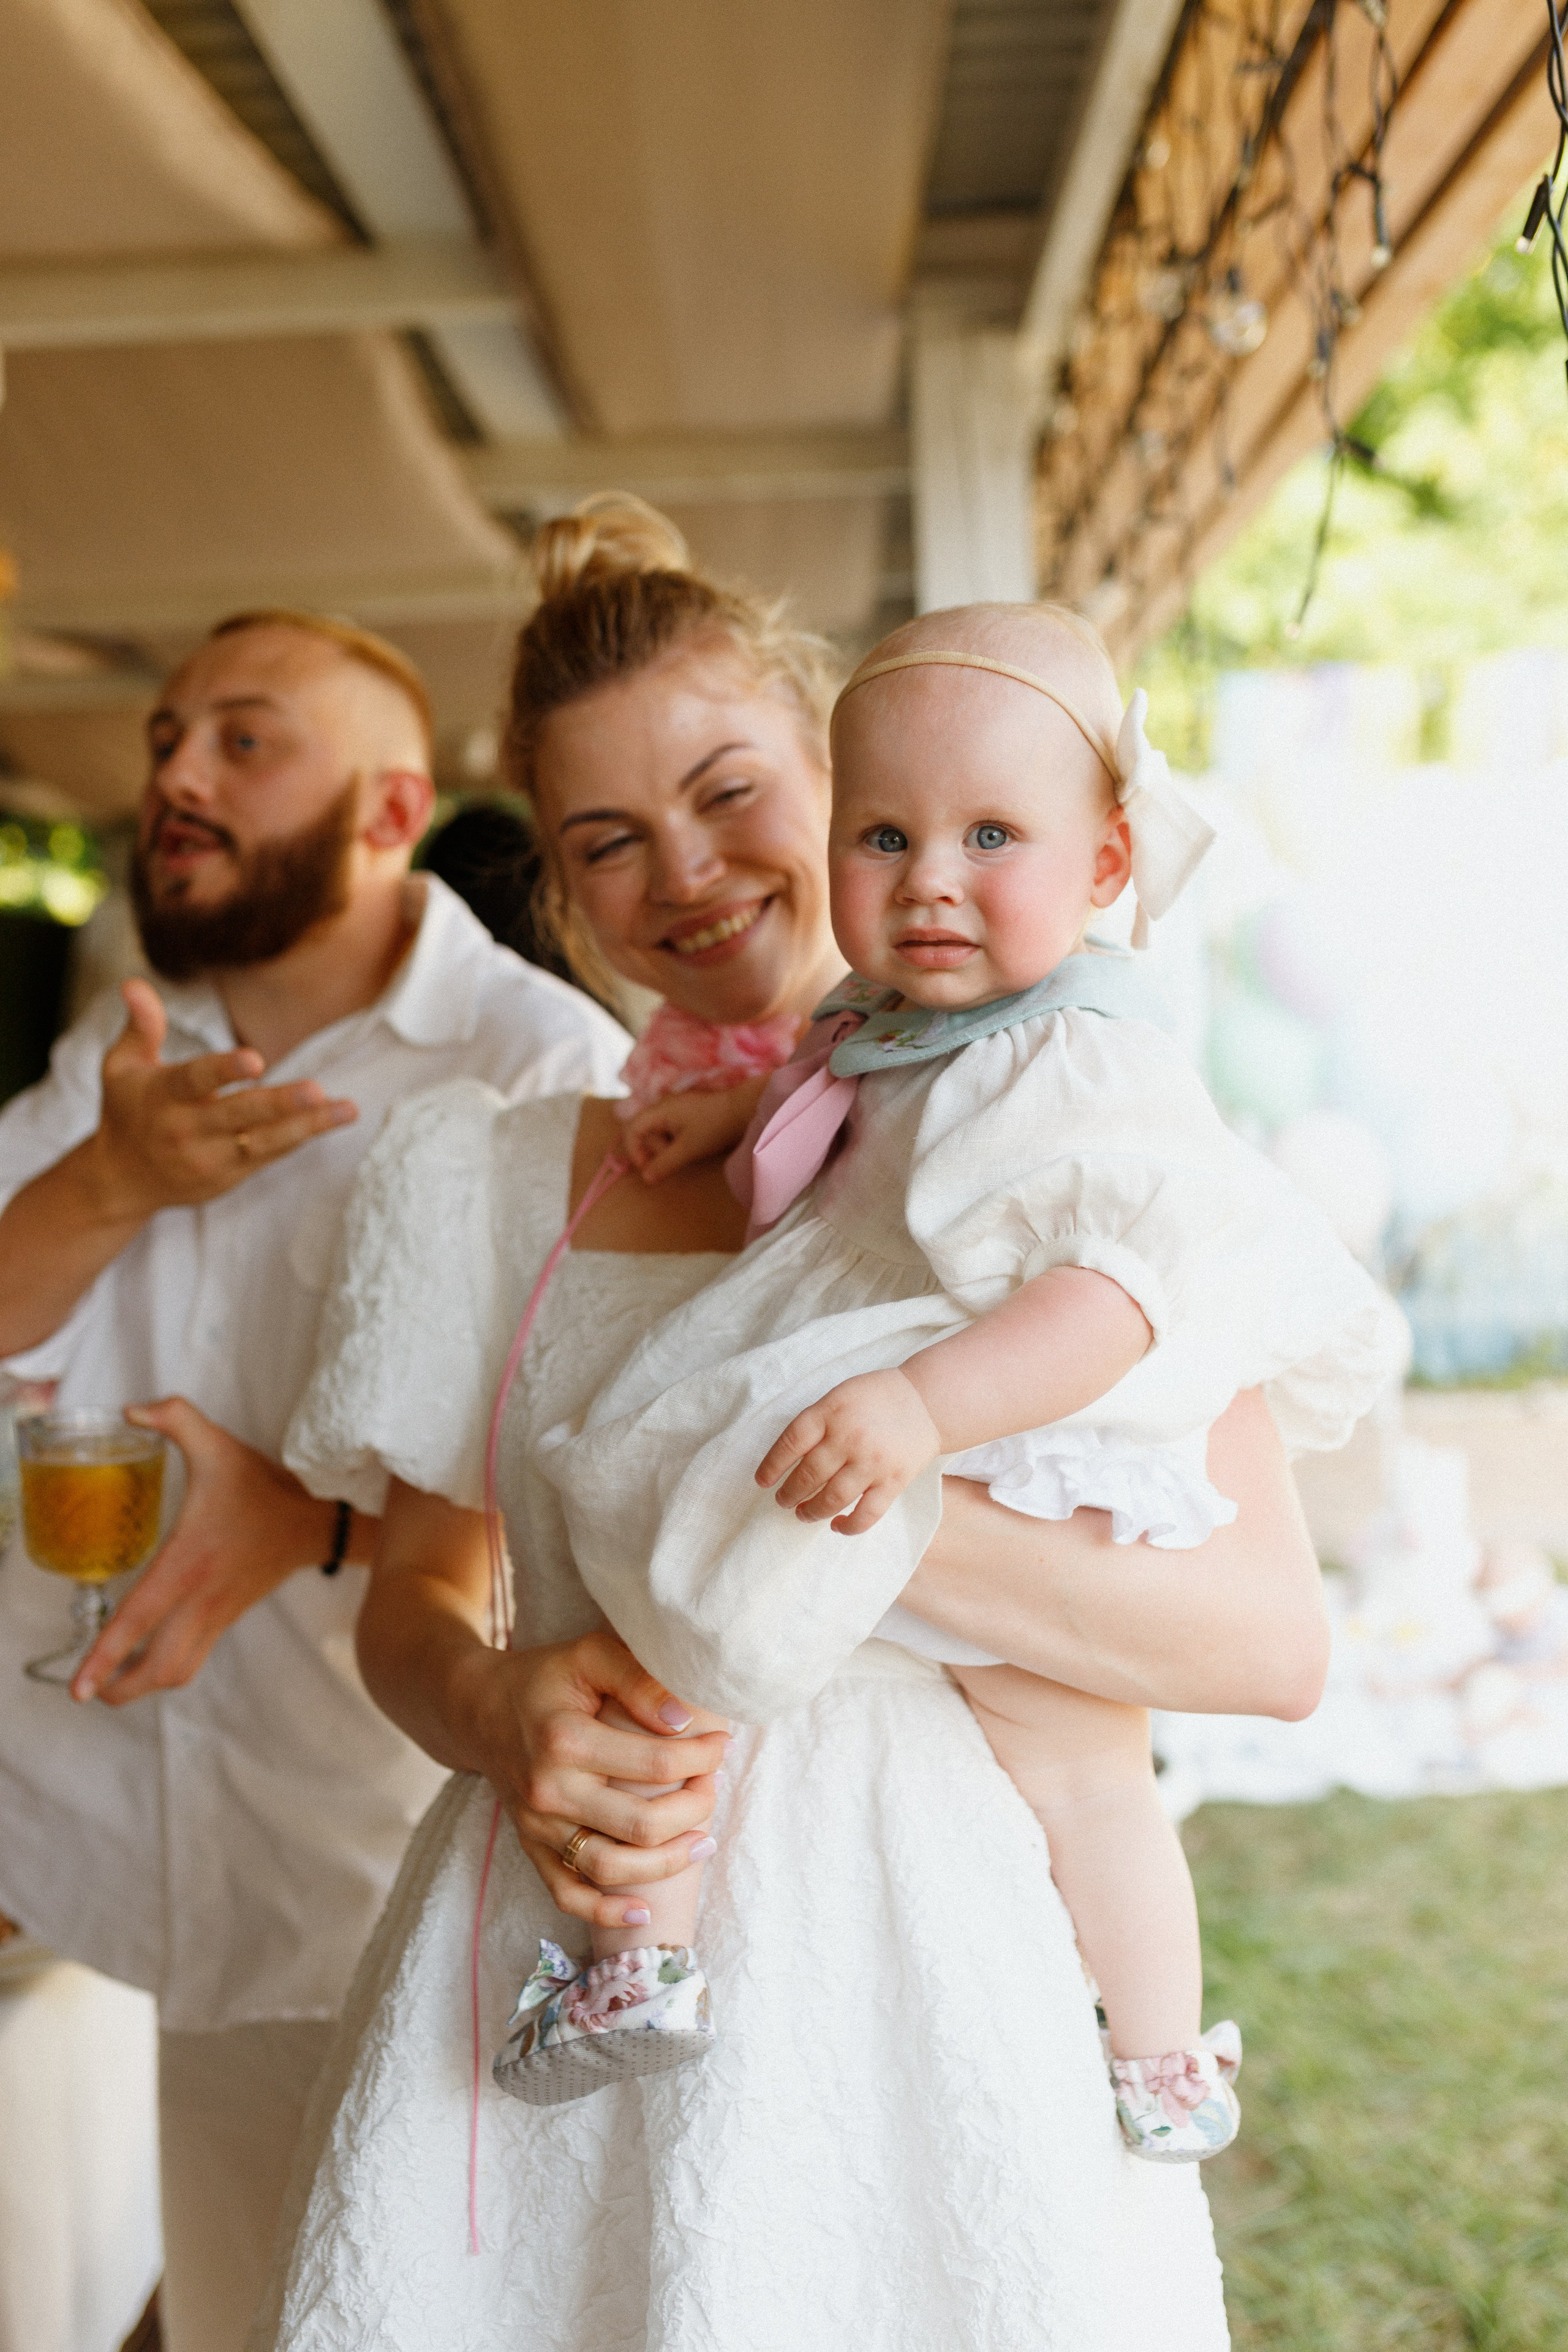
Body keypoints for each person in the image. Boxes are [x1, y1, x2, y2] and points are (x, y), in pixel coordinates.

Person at [257, 500, 1329, 2350]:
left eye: (732, 788)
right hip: (574, 1922)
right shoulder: (491, 1178)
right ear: (566, 892)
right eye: (608, 840)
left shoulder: (1050, 1117)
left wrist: (842, 1502)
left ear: (836, 759)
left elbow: (1276, 1644)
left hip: (945, 1948)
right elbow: (413, 1610)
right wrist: (502, 1708)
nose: (687, 871)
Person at [538, 601, 1404, 2158]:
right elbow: (850, 1105)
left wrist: (927, 1410)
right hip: (932, 1402)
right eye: (883, 834)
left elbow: (1124, 1290)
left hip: (1003, 1412)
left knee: (732, 1605)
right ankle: (1140, 2067)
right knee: (1045, 1758)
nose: (927, 875)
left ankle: (658, 1968)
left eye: (989, 832)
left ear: (1107, 866)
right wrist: (726, 1132)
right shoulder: (892, 1016)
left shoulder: (1082, 1057)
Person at [0, 609, 627, 2352]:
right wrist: (113, 1179)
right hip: (157, 1824)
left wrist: (322, 1520)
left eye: (245, 742)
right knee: (230, 2314)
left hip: (401, 1841)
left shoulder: (538, 1070)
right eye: (168, 738)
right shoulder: (134, 1040)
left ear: (388, 807)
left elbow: (596, 1480)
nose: (176, 777)